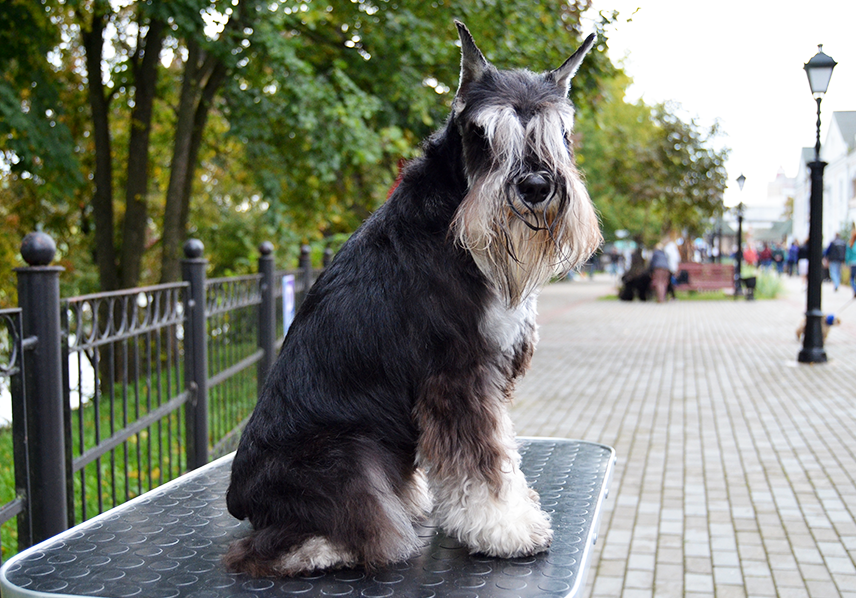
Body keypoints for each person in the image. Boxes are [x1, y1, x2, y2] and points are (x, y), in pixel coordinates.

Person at [847, 229, 856, 298]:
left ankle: (855, 290)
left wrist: (847, 262)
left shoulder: (851, 244)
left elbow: (848, 255)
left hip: (853, 263)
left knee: (852, 278)